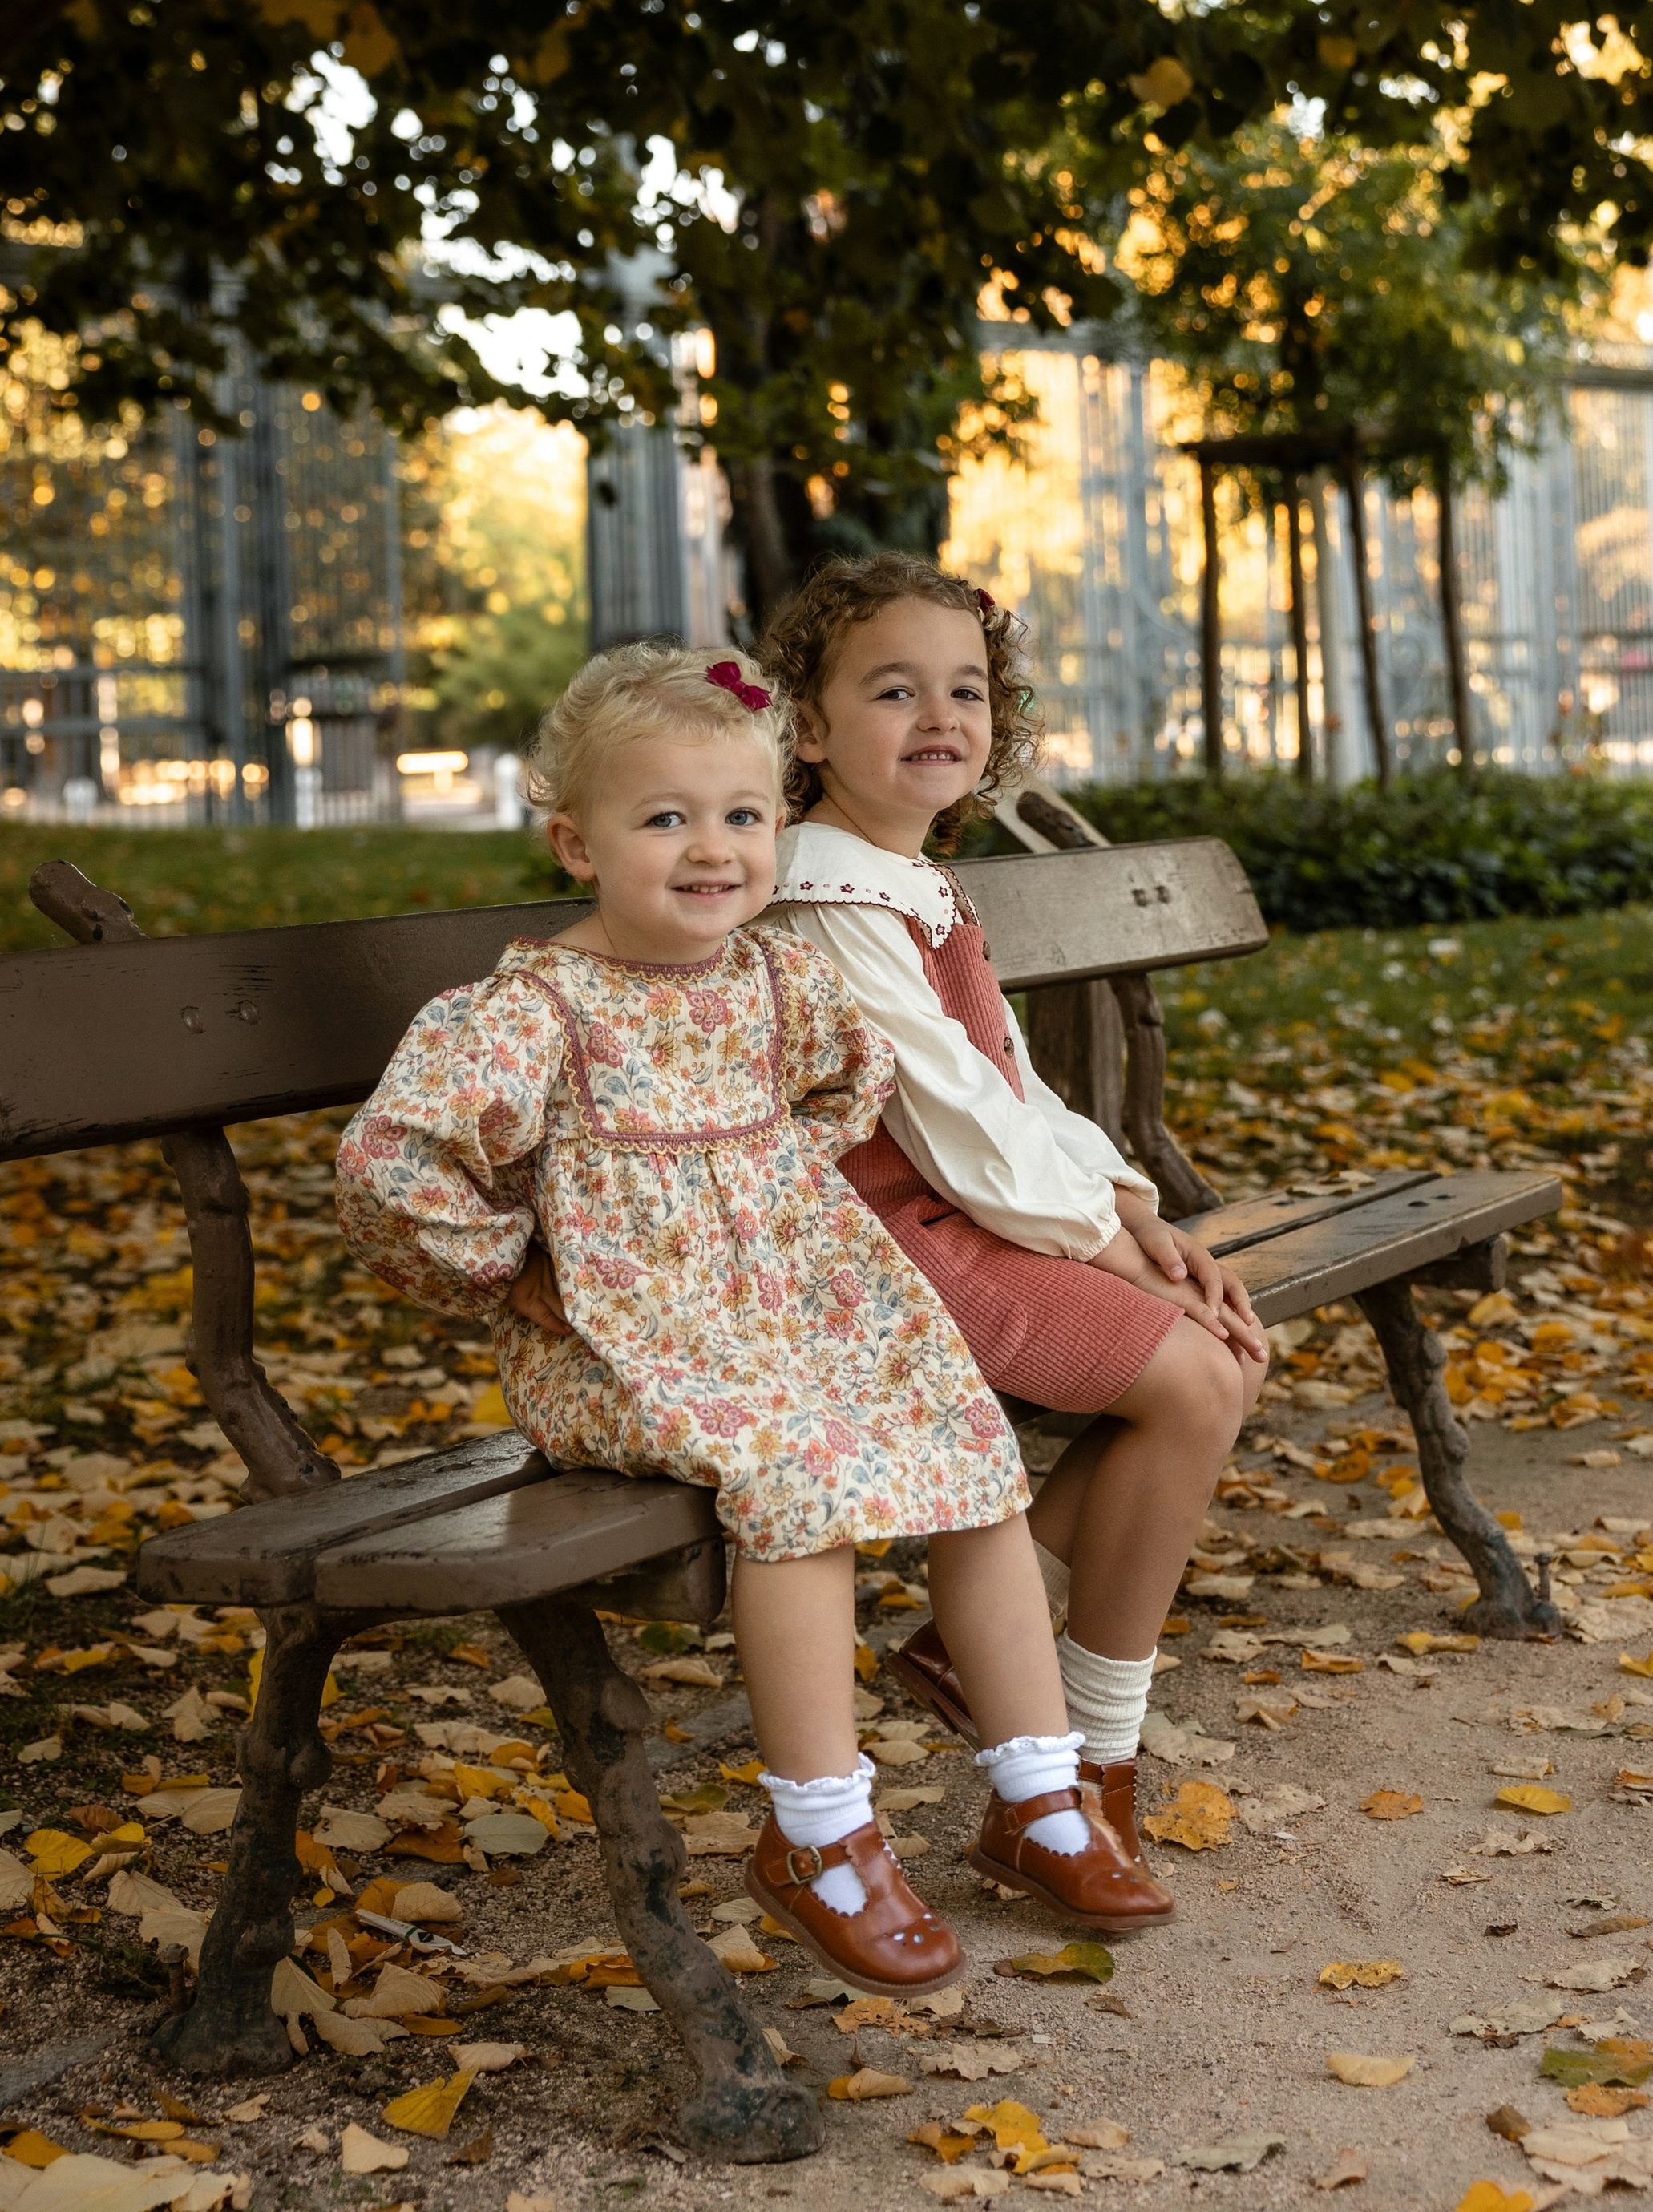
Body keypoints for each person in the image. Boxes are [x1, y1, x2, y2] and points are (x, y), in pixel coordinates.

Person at [334, 641, 1168, 1993]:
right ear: (574, 841)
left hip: (789, 1313)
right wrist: (520, 1265)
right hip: (625, 1348)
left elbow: (850, 1086)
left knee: (967, 1446)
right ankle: (820, 1838)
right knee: (797, 1484)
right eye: (664, 818)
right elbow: (391, 1166)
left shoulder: (772, 978)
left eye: (743, 817)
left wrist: (764, 1203)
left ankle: (1040, 1796)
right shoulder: (533, 1010)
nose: (712, 850)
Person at [761, 559, 1267, 1883]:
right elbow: (952, 1123)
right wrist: (1106, 1250)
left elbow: (1017, 1088)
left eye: (966, 690)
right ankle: (1091, 1761)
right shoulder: (824, 888)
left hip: (963, 1219)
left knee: (1212, 1368)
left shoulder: (908, 877)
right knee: (1197, 1379)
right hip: (890, 1248)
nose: (940, 714)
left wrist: (1134, 1216)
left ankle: (1043, 1720)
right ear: (807, 729)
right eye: (893, 690)